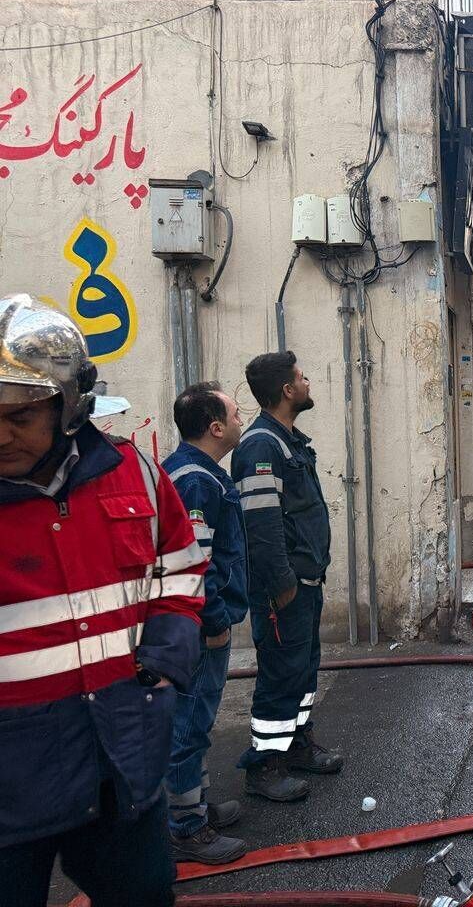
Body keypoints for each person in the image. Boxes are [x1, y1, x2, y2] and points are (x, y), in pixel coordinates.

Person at [0, 295, 206, 907]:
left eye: (20, 414)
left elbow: (179, 567)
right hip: (12, 774)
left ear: (67, 405)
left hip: (119, 757)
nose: (2, 434)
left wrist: (164, 663)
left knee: (143, 894)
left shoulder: (132, 471)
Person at [231, 351, 342, 803]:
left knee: (302, 670)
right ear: (286, 389)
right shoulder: (261, 446)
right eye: (302, 376)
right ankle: (264, 765)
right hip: (285, 588)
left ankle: (296, 745)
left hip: (305, 582)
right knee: (280, 675)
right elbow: (261, 525)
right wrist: (282, 585)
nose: (308, 381)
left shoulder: (288, 441)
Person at [162, 383, 250, 864]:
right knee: (189, 724)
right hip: (199, 627)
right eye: (235, 414)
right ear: (216, 427)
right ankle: (185, 828)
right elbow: (197, 562)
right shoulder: (196, 481)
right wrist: (213, 619)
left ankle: (193, 806)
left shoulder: (196, 474)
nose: (241, 420)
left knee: (194, 722)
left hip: (196, 622)